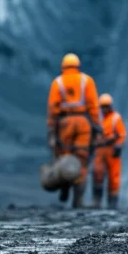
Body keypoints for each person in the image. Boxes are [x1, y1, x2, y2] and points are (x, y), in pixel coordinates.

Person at [47, 53, 100, 208]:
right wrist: (96, 125)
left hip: (64, 123)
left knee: (64, 156)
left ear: (63, 66)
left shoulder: (58, 83)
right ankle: (78, 199)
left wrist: (51, 127)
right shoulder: (87, 81)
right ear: (78, 66)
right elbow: (93, 106)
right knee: (81, 158)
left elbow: (53, 108)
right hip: (83, 122)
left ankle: (64, 187)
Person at [92, 93, 126, 209]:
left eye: (106, 106)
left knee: (114, 177)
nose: (105, 109)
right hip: (100, 150)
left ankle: (112, 204)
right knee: (97, 174)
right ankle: (97, 202)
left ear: (110, 106)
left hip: (112, 150)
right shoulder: (97, 119)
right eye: (103, 106)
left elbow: (122, 134)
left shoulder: (116, 118)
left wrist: (119, 145)